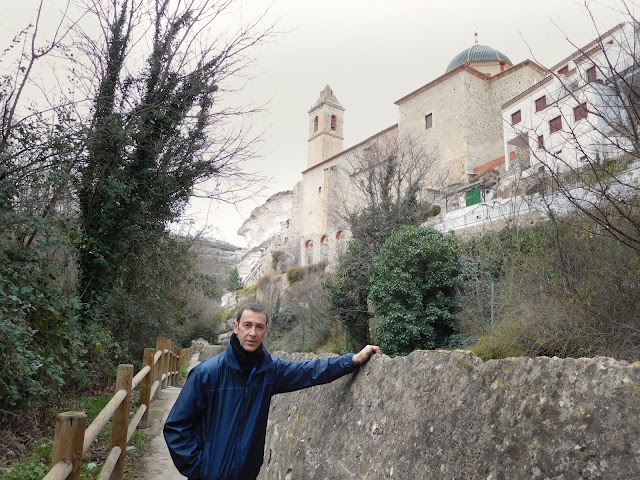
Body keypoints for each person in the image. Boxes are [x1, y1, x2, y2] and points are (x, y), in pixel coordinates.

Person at [163, 303, 380, 480]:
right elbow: (176, 426)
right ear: (236, 327)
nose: (252, 333)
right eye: (247, 325)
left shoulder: (270, 371)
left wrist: (351, 360)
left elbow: (310, 370)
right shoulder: (207, 373)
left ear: (266, 330)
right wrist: (200, 468)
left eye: (259, 327)